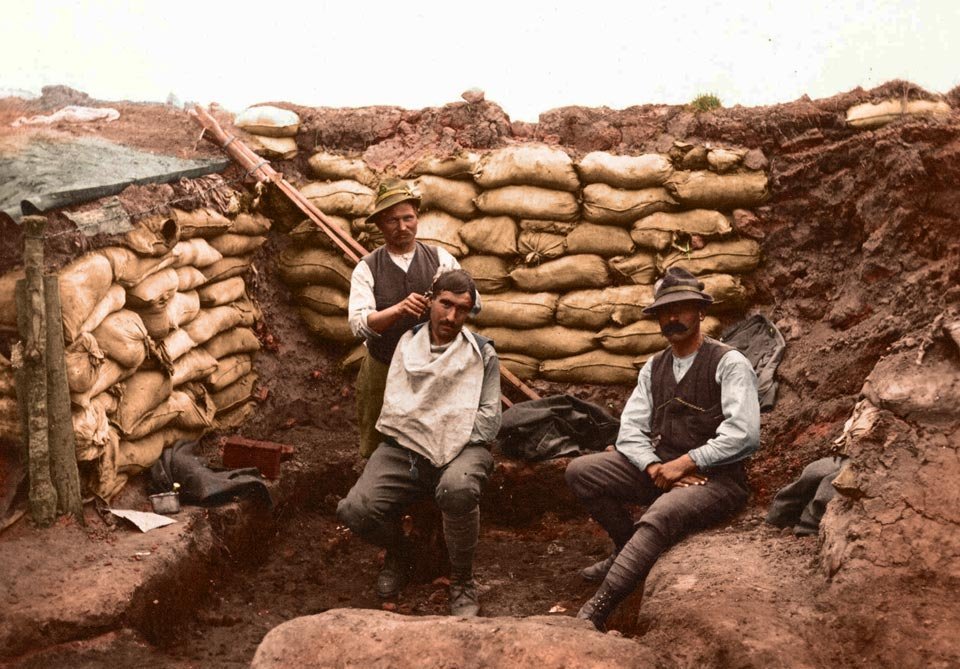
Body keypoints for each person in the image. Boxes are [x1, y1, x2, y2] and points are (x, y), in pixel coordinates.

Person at [565, 267, 760, 631]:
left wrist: (687, 463)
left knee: (662, 512)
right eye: (665, 311)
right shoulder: (654, 368)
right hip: (664, 471)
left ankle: (596, 609)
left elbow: (744, 433)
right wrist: (655, 467)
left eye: (683, 308)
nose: (673, 318)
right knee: (581, 472)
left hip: (715, 480)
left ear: (701, 312)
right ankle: (625, 550)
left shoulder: (728, 363)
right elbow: (630, 431)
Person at [337, 269, 501, 616]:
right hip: (407, 446)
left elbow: (488, 420)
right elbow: (397, 409)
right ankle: (403, 553)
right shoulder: (407, 345)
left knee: (456, 488)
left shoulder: (482, 354)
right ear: (430, 302)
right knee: (355, 509)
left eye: (462, 309)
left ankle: (462, 580)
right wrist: (425, 436)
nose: (452, 316)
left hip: (463, 447)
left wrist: (447, 436)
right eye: (445, 304)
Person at [348, 178, 461, 458]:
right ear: (379, 225)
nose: (402, 227)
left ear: (417, 217)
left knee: (432, 440)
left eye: (408, 218)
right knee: (377, 447)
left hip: (432, 367)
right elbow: (358, 324)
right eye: (392, 220)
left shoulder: (440, 259)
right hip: (383, 368)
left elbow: (474, 302)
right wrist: (397, 310)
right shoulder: (367, 268)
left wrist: (444, 300)